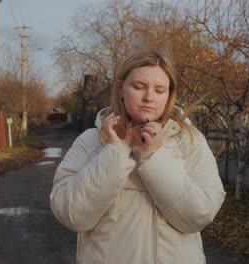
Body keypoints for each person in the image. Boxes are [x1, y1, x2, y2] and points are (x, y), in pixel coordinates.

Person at [50, 49, 226, 264]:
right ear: (121, 88)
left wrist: (154, 157)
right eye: (138, 87)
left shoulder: (190, 141)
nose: (149, 98)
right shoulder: (91, 141)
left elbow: (198, 216)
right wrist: (114, 153)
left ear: (169, 94)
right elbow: (73, 215)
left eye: (160, 90)